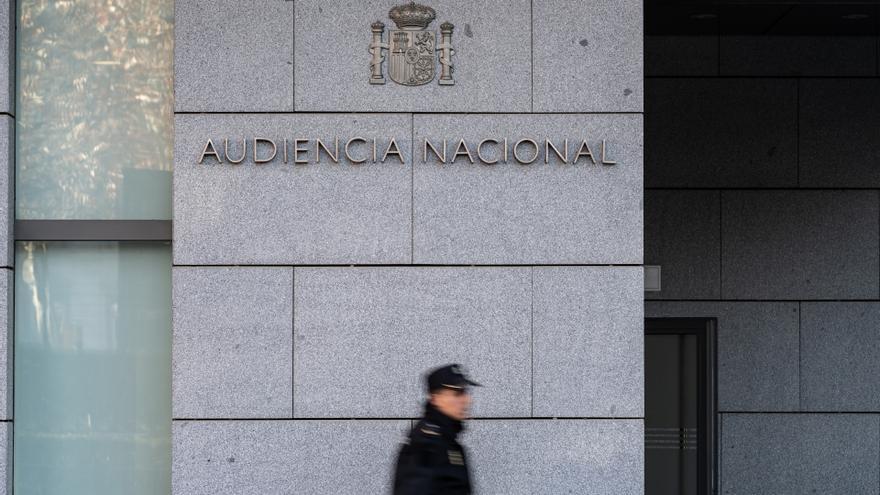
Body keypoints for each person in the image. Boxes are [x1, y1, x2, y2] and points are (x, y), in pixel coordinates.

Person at [392, 363, 481, 495]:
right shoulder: (426, 444)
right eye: (457, 393)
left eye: (466, 392)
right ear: (435, 399)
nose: (467, 400)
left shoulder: (447, 439)